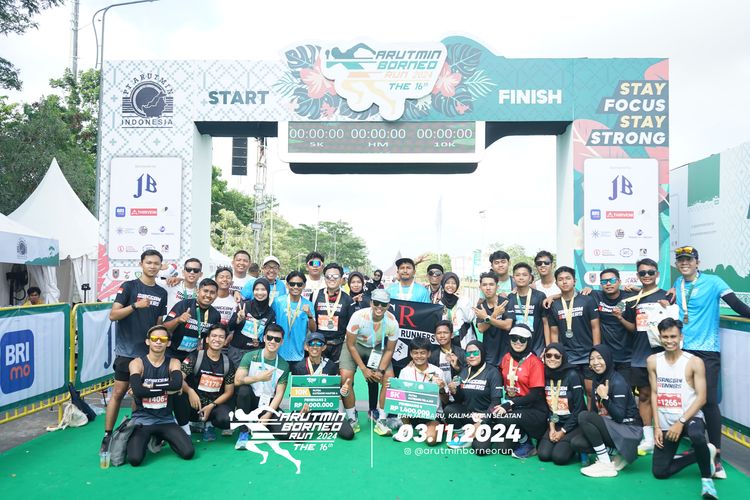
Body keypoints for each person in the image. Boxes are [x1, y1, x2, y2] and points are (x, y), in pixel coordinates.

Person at [672, 245, 750, 478]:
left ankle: (716, 456)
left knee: (709, 402)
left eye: (689, 259)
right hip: (682, 350)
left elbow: (737, 306)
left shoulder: (714, 282)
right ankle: (695, 447)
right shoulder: (678, 283)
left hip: (707, 350)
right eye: (681, 260)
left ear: (697, 262)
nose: (685, 263)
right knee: (685, 399)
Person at [101, 249, 168, 454]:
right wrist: (135, 306)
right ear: (141, 264)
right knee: (118, 393)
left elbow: (158, 324)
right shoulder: (129, 286)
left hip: (147, 355)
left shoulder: (162, 292)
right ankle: (107, 435)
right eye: (149, 262)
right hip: (127, 352)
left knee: (140, 396)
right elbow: (113, 315)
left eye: (156, 263)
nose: (152, 266)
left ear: (160, 266)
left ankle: (135, 434)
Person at [649, 318, 718, 500]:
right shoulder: (653, 361)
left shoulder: (694, 362)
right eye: (665, 337)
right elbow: (654, 393)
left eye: (673, 336)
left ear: (681, 337)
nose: (669, 341)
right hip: (666, 422)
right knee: (660, 472)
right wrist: (657, 426)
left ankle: (707, 482)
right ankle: (703, 453)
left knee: (696, 435)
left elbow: (702, 398)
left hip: (689, 418)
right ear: (660, 337)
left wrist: (680, 422)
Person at [619, 257, 671, 454]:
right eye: (643, 273)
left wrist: (668, 308)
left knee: (666, 395)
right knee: (645, 395)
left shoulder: (667, 295)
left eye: (650, 272)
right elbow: (634, 328)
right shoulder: (634, 299)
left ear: (657, 274)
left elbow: (677, 324)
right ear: (637, 275)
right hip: (640, 355)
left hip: (663, 355)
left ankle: (667, 434)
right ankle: (648, 437)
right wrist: (619, 318)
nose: (647, 275)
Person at [125, 325, 194, 466]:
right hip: (142, 421)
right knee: (134, 460)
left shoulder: (173, 362)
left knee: (188, 453)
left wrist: (150, 386)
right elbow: (138, 390)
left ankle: (160, 437)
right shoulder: (137, 363)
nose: (158, 342)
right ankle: (151, 438)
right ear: (148, 341)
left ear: (168, 343)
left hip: (166, 420)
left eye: (162, 339)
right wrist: (166, 390)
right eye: (154, 338)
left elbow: (177, 385)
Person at [572, 345, 642, 477]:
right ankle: (619, 452)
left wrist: (605, 398)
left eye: (600, 358)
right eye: (592, 359)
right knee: (577, 443)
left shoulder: (618, 382)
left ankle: (605, 463)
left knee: (584, 416)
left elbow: (619, 417)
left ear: (608, 359)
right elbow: (594, 413)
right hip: (611, 428)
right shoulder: (597, 380)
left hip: (629, 430)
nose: (595, 362)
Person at [340, 289, 400, 435]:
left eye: (383, 304)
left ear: (388, 305)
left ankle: (382, 420)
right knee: (345, 378)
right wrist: (363, 369)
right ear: (371, 303)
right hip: (355, 346)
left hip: (377, 347)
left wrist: (380, 371)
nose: (379, 307)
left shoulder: (392, 321)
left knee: (389, 379)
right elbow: (350, 345)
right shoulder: (358, 316)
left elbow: (390, 350)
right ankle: (352, 417)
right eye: (377, 303)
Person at [546, 266, 601, 402]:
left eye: (568, 278)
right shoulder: (554, 305)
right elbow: (554, 332)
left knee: (590, 391)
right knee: (571, 392)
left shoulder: (587, 300)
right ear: (556, 283)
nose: (564, 282)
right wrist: (557, 355)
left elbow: (595, 327)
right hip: (568, 357)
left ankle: (590, 415)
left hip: (587, 355)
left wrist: (596, 353)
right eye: (560, 279)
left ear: (574, 281)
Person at [232, 323, 290, 450]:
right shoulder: (250, 356)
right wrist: (258, 378)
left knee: (286, 433)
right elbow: (237, 380)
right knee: (243, 390)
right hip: (250, 401)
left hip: (267, 404)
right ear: (264, 338)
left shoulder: (284, 365)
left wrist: (268, 415)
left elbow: (279, 394)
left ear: (281, 342)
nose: (272, 341)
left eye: (277, 339)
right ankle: (244, 432)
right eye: (269, 337)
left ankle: (261, 424)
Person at [175, 325, 236, 440]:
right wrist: (190, 391)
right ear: (207, 339)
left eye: (221, 337)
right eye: (214, 336)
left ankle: (209, 425)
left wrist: (212, 405)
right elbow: (179, 379)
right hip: (193, 404)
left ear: (225, 341)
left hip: (214, 405)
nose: (217, 339)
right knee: (177, 393)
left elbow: (229, 392)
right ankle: (187, 425)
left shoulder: (228, 363)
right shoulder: (195, 357)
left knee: (228, 419)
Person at [291, 332, 354, 441]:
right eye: (311, 343)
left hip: (326, 410)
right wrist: (300, 408)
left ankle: (325, 422)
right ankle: (316, 423)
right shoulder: (298, 367)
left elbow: (336, 393)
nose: (315, 347)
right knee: (298, 437)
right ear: (306, 347)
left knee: (348, 434)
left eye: (319, 344)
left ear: (324, 347)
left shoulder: (331, 366)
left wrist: (344, 392)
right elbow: (294, 394)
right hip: (307, 411)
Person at [496, 325, 548, 458]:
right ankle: (523, 437)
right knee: (503, 449)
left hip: (533, 409)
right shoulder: (506, 358)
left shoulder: (535, 362)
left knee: (508, 417)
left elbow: (535, 395)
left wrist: (510, 403)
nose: (518, 342)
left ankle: (527, 444)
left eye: (522, 339)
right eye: (514, 338)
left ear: (528, 341)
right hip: (515, 407)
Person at [444, 340, 503, 452]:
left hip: (487, 418)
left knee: (480, 449)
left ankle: (484, 433)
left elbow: (496, 403)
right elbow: (460, 400)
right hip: (469, 416)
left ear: (482, 353)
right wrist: (455, 391)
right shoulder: (464, 371)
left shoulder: (493, 372)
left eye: (475, 353)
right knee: (449, 409)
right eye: (468, 353)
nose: (471, 356)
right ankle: (463, 435)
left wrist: (482, 422)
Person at [581, 268, 635, 383]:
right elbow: (568, 293)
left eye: (612, 280)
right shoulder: (595, 295)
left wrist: (620, 318)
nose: (608, 284)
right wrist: (552, 297)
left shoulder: (630, 297)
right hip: (605, 357)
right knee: (604, 390)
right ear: (601, 284)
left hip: (626, 356)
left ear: (619, 281)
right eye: (604, 282)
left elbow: (634, 328)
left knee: (623, 389)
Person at [537, 342, 586, 465]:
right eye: (548, 355)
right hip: (556, 422)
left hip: (573, 424)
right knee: (543, 455)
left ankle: (578, 447)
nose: (552, 359)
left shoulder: (572, 375)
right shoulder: (544, 375)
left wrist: (563, 431)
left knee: (559, 458)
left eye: (557, 356)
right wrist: (552, 428)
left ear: (563, 358)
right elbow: (548, 407)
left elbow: (579, 408)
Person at [394, 337, 449, 446]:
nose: (419, 356)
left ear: (429, 354)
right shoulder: (405, 371)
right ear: (411, 354)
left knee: (431, 441)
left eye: (423, 353)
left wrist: (442, 389)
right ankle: (406, 427)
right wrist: (393, 388)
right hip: (411, 414)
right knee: (403, 398)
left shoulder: (437, 372)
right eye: (416, 353)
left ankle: (433, 428)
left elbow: (446, 401)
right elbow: (399, 399)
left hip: (432, 415)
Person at [346, 271, 379, 417]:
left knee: (372, 378)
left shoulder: (369, 300)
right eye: (353, 282)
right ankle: (351, 410)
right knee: (347, 378)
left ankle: (373, 408)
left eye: (358, 282)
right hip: (351, 343)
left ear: (363, 284)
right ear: (349, 284)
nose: (355, 285)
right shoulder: (345, 299)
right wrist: (352, 302)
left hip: (369, 344)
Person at [163, 278, 221, 361]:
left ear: (216, 295)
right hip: (171, 353)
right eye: (205, 291)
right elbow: (164, 328)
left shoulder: (215, 315)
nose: (208, 295)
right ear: (198, 291)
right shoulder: (183, 305)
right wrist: (178, 320)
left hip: (192, 357)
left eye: (212, 292)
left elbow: (210, 339)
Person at [227, 278, 276, 366]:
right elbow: (229, 327)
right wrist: (238, 320)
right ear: (253, 291)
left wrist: (260, 341)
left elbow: (268, 334)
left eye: (263, 289)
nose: (260, 293)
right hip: (237, 352)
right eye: (256, 289)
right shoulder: (243, 306)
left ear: (268, 291)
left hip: (256, 353)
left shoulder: (270, 312)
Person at [274, 271, 316, 372]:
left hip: (299, 353)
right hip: (279, 351)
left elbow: (313, 329)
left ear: (304, 285)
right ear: (287, 285)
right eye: (292, 284)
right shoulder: (278, 302)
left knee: (296, 382)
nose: (295, 287)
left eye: (299, 284)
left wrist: (309, 315)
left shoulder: (308, 304)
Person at [313, 263, 353, 363]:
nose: (332, 279)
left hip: (338, 346)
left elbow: (350, 326)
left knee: (337, 372)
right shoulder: (315, 295)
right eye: (328, 276)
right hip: (319, 345)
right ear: (324, 278)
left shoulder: (348, 299)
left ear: (341, 279)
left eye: (335, 276)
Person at [506, 262, 549, 356]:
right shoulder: (510, 297)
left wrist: (548, 347)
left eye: (524, 275)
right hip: (517, 345)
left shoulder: (540, 296)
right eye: (518, 275)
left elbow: (545, 322)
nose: (521, 278)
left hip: (536, 346)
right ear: (513, 278)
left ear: (530, 278)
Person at [473, 271, 511, 362]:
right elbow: (481, 328)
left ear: (497, 287)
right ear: (480, 287)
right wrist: (494, 315)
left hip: (506, 353)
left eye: (491, 284)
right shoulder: (481, 306)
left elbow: (507, 325)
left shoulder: (505, 303)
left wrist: (486, 317)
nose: (488, 288)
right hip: (488, 353)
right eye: (484, 285)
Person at [429, 319, 465, 391]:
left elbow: (468, 374)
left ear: (451, 335)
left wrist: (457, 368)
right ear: (435, 336)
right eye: (439, 333)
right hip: (440, 392)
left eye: (445, 332)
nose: (442, 336)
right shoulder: (432, 356)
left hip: (458, 393)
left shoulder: (461, 353)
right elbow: (429, 376)